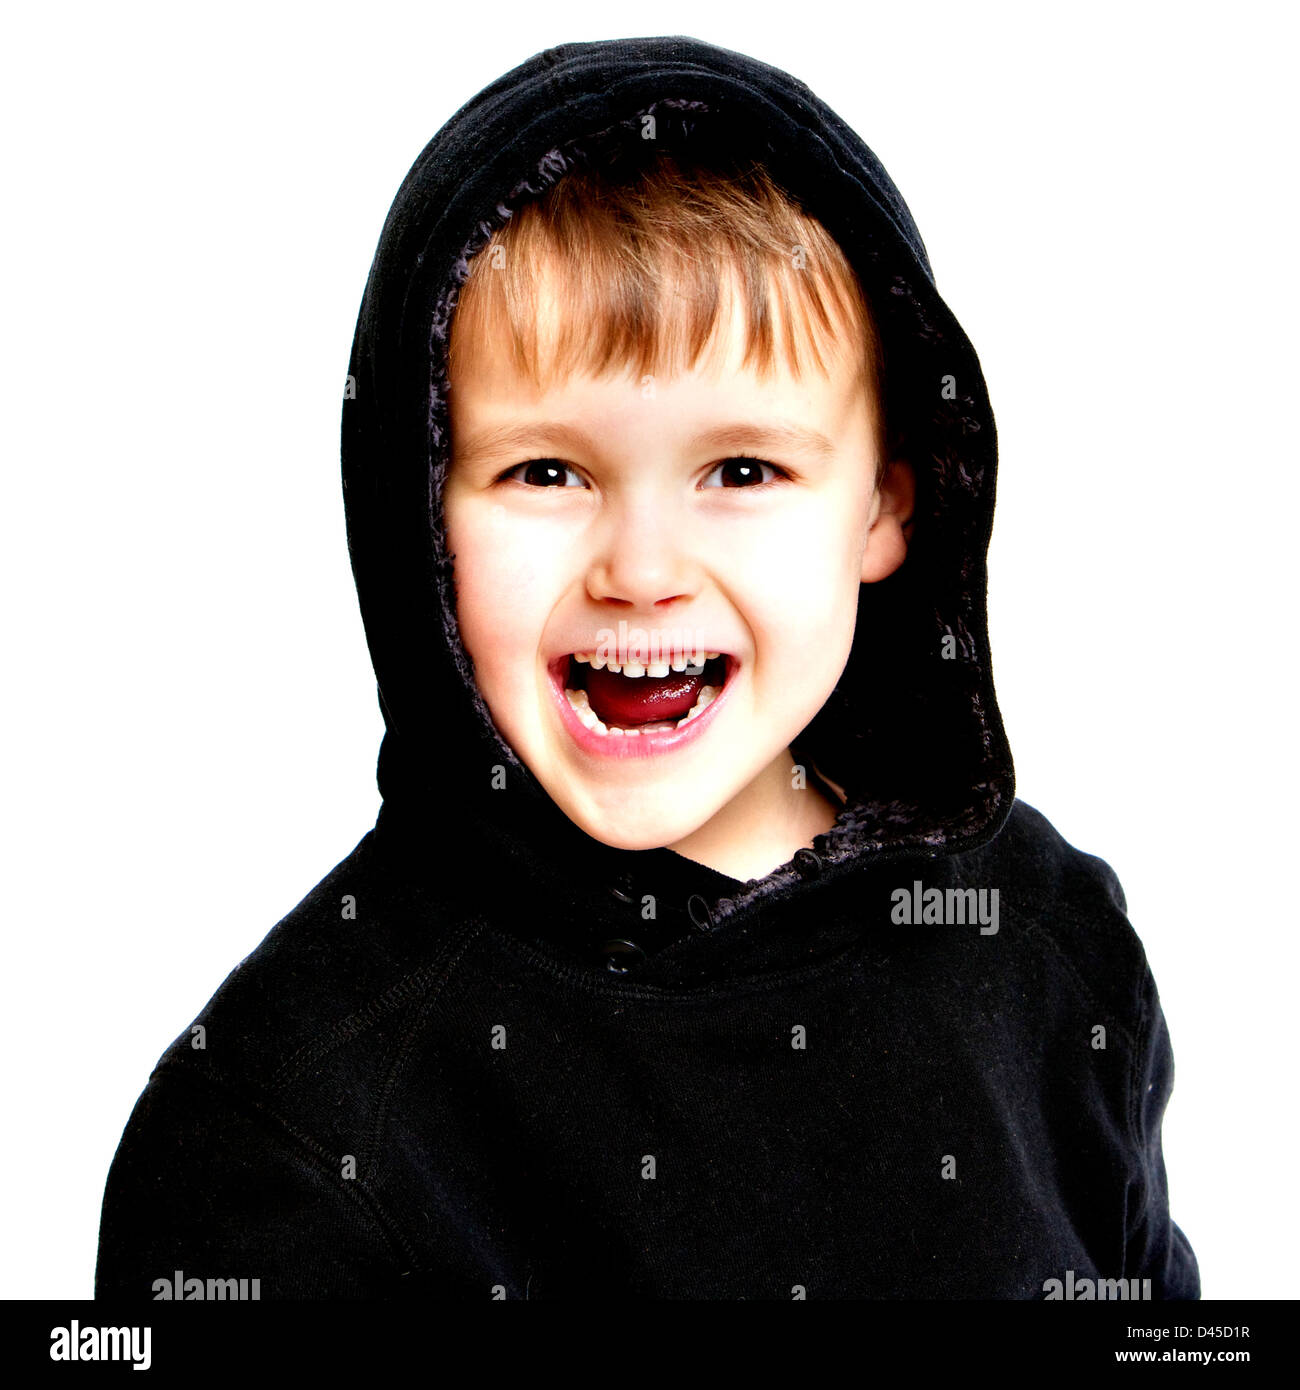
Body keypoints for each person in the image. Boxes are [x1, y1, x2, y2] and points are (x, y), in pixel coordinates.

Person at [95, 34, 1199, 1299]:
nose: (642, 566)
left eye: (743, 470)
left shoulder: (1046, 940)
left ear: (890, 502)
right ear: (416, 518)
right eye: (544, 472)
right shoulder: (286, 1127)